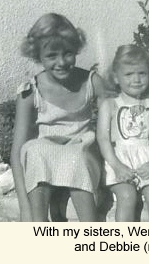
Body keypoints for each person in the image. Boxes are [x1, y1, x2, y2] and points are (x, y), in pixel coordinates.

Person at [10, 13, 106, 222]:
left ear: (76, 49)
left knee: (76, 155)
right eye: (52, 56)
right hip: (46, 159)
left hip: (81, 152)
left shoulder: (91, 82)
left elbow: (116, 120)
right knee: (34, 150)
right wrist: (23, 205)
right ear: (38, 56)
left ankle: (92, 233)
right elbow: (17, 151)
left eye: (68, 53)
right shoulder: (30, 91)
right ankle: (38, 224)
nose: (61, 62)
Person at [97, 44, 149, 221]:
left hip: (147, 162)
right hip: (119, 162)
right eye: (129, 74)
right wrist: (117, 166)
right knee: (127, 196)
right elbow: (103, 139)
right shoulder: (110, 104)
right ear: (116, 77)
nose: (136, 79)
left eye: (141, 73)